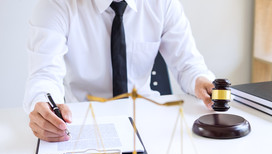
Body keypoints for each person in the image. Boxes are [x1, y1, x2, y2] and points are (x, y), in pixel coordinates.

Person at [24, 0, 216, 142]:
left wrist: (200, 81)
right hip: (84, 125)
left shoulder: (163, 3)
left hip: (147, 122)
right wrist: (42, 104)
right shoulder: (55, 4)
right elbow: (44, 74)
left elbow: (188, 64)